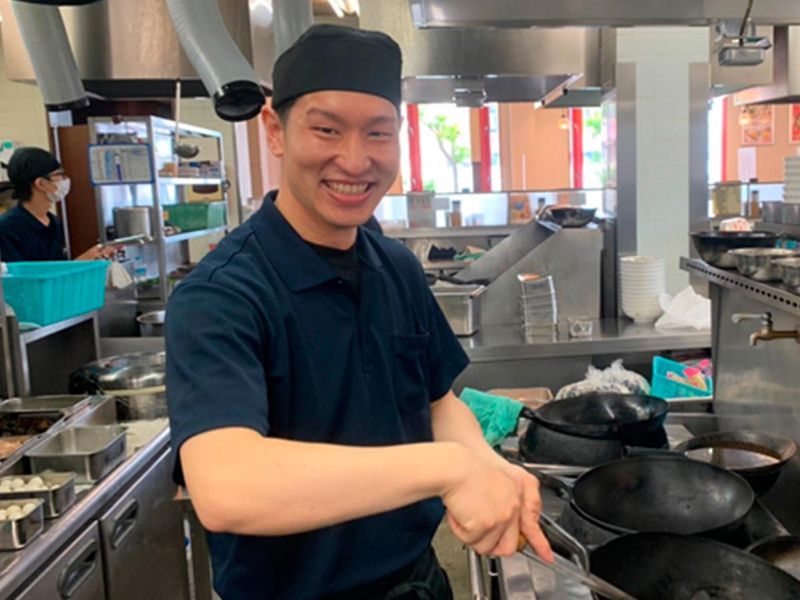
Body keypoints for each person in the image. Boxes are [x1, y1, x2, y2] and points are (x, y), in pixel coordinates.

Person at [166, 24, 552, 600]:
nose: (355, 160)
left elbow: (436, 402)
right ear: (275, 130)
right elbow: (226, 487)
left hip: (417, 584)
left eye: (378, 133)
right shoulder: (222, 296)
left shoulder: (394, 267)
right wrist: (448, 469)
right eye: (326, 129)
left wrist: (486, 468)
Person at [0, 147, 114, 262]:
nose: (65, 180)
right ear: (41, 183)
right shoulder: (8, 228)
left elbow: (59, 268)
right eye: (59, 175)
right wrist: (81, 261)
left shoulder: (53, 222)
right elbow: (23, 273)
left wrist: (89, 260)